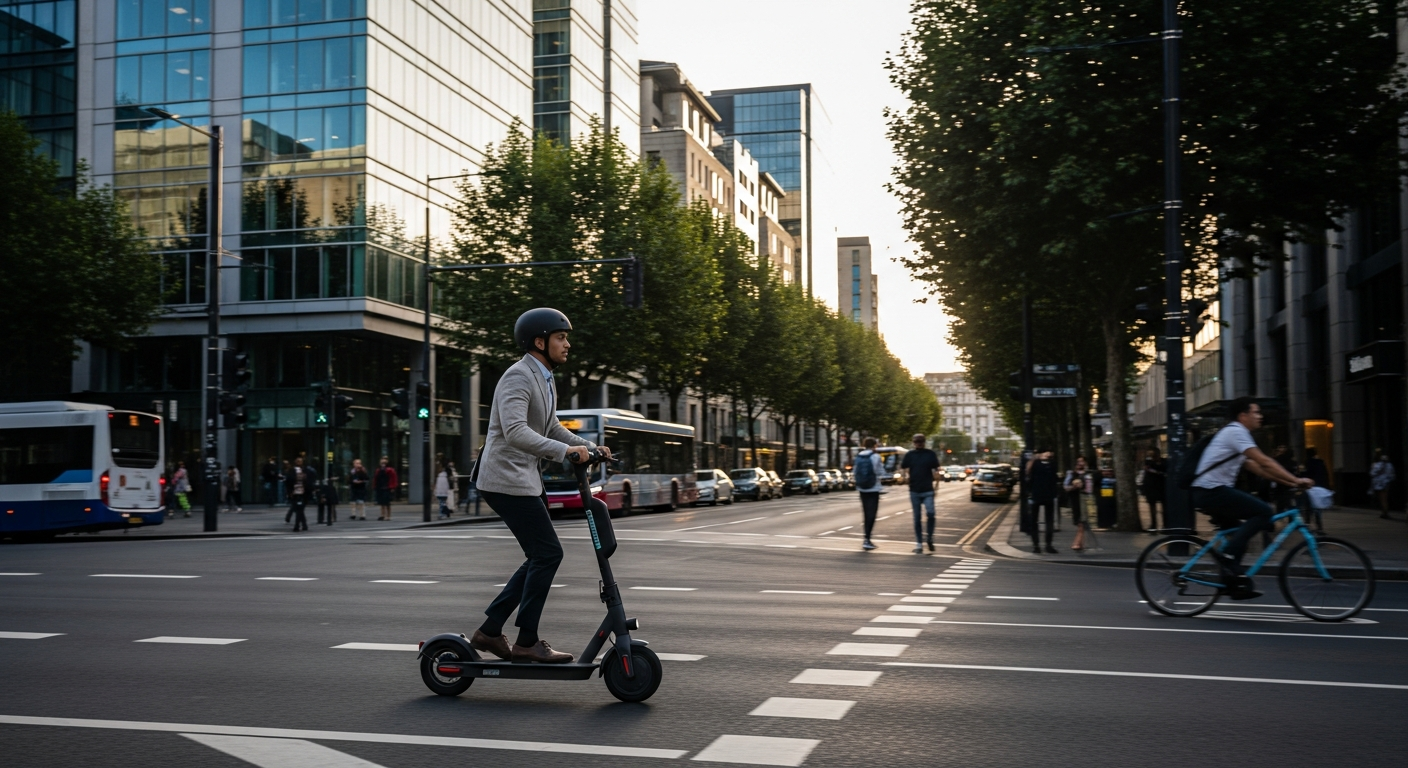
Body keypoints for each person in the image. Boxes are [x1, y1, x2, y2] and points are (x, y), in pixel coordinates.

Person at [469, 308, 607, 665]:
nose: (568, 344)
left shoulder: (544, 377)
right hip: (504, 480)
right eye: (562, 337)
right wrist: (567, 453)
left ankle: (490, 629)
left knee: (541, 555)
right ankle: (526, 641)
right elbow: (515, 431)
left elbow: (549, 428)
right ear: (540, 341)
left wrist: (589, 448)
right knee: (548, 554)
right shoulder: (518, 377)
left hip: (524, 480)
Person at [1190, 398, 1313, 600]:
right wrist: (1296, 478)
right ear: (1243, 416)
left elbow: (1257, 468)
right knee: (1263, 512)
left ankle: (1232, 583)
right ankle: (1228, 557)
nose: (1260, 416)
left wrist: (1291, 483)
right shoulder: (1236, 431)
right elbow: (1264, 460)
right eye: (1256, 412)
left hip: (1208, 492)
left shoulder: (1235, 433)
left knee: (1240, 537)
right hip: (1211, 491)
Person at [900, 433, 941, 553]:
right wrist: (906, 477)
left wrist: (936, 486)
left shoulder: (930, 454)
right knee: (917, 518)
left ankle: (929, 537)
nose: (919, 443)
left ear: (924, 442)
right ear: (914, 443)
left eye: (921, 441)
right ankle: (919, 544)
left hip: (928, 490)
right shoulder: (910, 455)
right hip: (914, 490)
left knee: (931, 514)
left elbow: (936, 471)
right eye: (917, 441)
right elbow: (904, 467)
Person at [854, 437, 885, 551]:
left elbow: (855, 471)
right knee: (872, 514)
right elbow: (880, 472)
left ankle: (866, 539)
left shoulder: (859, 456)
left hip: (862, 488)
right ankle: (867, 539)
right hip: (873, 488)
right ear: (875, 445)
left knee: (866, 513)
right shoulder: (875, 456)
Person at [1026, 449, 1060, 554]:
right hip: (1036, 495)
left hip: (1049, 495)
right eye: (1045, 452)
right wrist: (1034, 458)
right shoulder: (1035, 463)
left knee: (1049, 522)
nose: (1047, 454)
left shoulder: (1053, 464)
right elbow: (1027, 471)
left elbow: (1055, 478)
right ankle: (1036, 545)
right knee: (1033, 521)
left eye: (1049, 452)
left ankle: (1048, 545)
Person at [1063, 456, 1091, 552]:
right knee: (1080, 522)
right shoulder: (1071, 474)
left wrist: (1083, 487)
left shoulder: (1088, 475)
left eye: (1082, 461)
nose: (1080, 463)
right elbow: (1066, 487)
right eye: (1078, 461)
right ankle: (1080, 544)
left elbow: (1089, 489)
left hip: (1085, 500)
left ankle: (1076, 543)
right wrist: (1074, 487)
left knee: (1081, 523)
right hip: (1075, 501)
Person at [285, 457, 318, 532]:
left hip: (303, 493)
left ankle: (299, 525)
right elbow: (288, 482)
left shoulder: (306, 471)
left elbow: (310, 481)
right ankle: (303, 525)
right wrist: (289, 492)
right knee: (299, 510)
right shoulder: (292, 471)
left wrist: (311, 490)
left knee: (300, 509)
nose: (299, 462)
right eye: (297, 461)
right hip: (295, 493)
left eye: (300, 461)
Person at [1141, 447, 1166, 533]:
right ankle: (1154, 525)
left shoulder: (1163, 462)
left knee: (1163, 507)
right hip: (1152, 486)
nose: (1150, 456)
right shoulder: (1148, 462)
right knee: (1153, 506)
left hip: (1160, 486)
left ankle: (1162, 525)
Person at [1370, 452, 1395, 520]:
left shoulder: (1377, 465)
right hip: (1386, 483)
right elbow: (1392, 475)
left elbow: (1373, 473)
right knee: (1385, 499)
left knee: (1382, 499)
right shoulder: (1390, 465)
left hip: (1379, 484)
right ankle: (1385, 512)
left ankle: (1384, 512)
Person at [373, 456, 397, 521]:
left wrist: (392, 487)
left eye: (384, 461)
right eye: (382, 461)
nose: (383, 462)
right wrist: (375, 486)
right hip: (380, 487)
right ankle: (382, 514)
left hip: (387, 487)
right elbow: (376, 479)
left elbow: (393, 479)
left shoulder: (390, 470)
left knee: (387, 502)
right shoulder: (378, 470)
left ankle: (388, 516)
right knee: (381, 502)